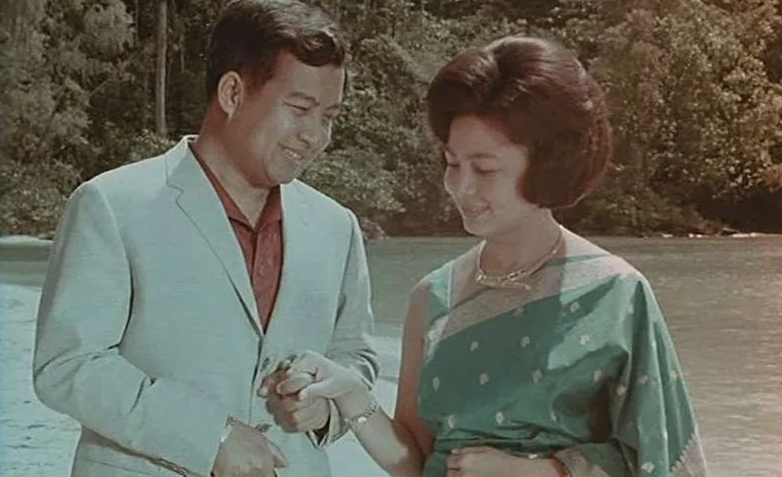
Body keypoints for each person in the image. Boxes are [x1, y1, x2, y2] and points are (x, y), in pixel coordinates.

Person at [275, 35, 709, 477]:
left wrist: (539, 472)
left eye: (484, 168)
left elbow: (660, 457)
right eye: (452, 163)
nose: (461, 187)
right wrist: (353, 398)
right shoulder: (433, 296)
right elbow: (416, 460)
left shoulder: (615, 294)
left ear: (549, 164)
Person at [32, 1, 378, 476]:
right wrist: (209, 435)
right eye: (300, 109)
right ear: (233, 92)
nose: (314, 135)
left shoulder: (337, 226)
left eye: (329, 117)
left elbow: (355, 356)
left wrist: (327, 409)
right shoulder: (111, 204)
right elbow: (67, 364)